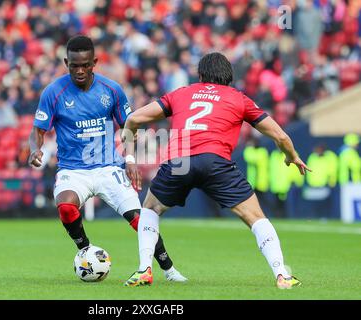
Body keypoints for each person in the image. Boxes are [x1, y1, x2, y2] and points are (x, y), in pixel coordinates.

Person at [122, 52, 311, 289]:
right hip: (215, 162)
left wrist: (130, 142)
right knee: (256, 218)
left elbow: (134, 118)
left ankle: (143, 271)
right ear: (229, 76)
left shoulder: (182, 93)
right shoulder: (238, 98)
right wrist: (292, 156)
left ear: (200, 75)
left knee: (150, 209)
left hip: (179, 162)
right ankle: (282, 275)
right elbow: (280, 135)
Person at [28, 35, 186, 281]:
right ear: (65, 62)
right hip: (73, 170)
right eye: (73, 65)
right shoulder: (53, 92)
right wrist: (34, 149)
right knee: (66, 206)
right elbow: (37, 130)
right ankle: (85, 249)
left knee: (139, 219)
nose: (79, 70)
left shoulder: (112, 90)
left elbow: (129, 127)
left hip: (108, 167)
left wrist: (130, 159)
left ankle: (169, 269)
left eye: (85, 65)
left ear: (95, 62)